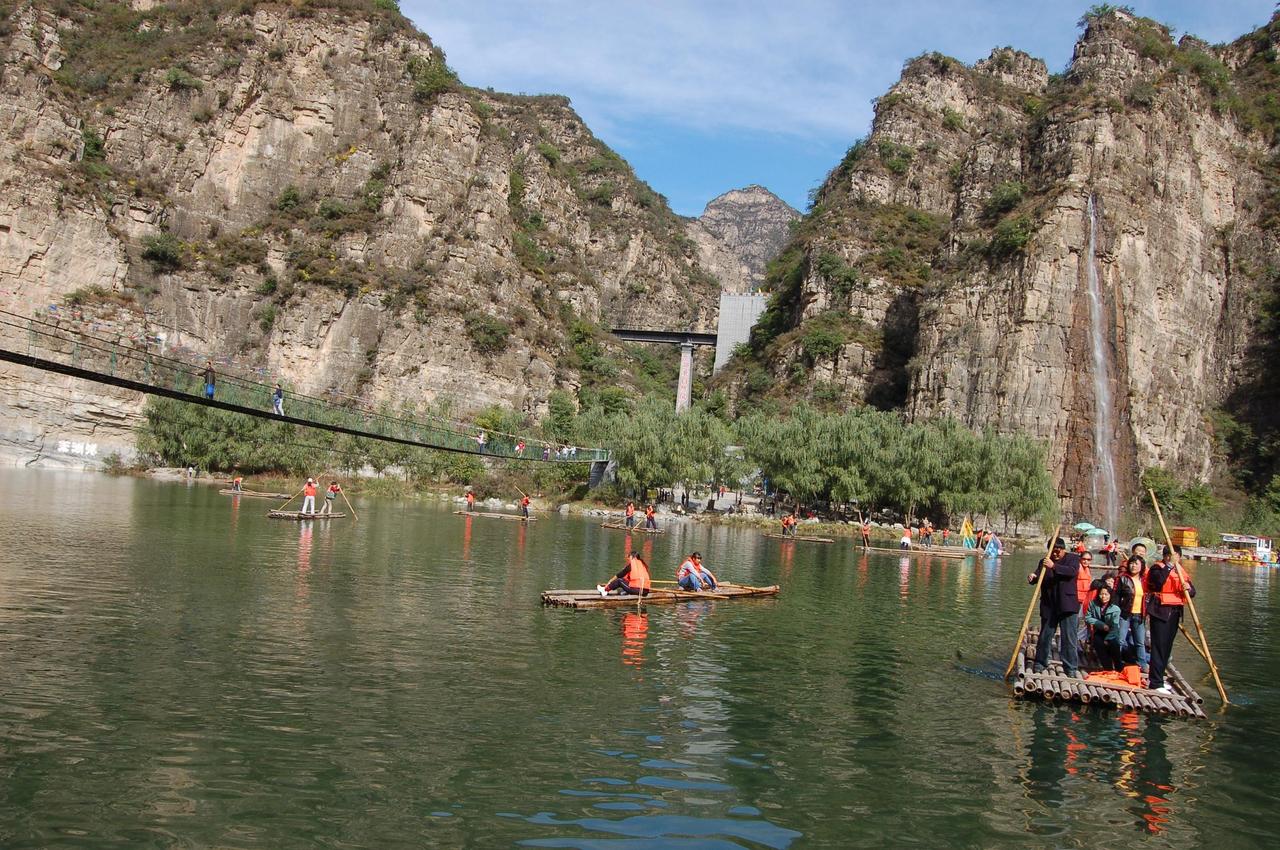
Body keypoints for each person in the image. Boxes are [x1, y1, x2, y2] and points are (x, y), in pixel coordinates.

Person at [1029, 537, 1083, 677]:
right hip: (1049, 605)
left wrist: (1054, 566)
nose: (1056, 554)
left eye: (1058, 551)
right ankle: (1040, 663)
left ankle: (1070, 668)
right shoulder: (1044, 561)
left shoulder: (1073, 559)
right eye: (1053, 551)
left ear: (1064, 549)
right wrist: (1033, 577)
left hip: (1067, 605)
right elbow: (1038, 576)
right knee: (1045, 636)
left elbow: (1071, 572)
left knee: (1069, 638)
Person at [1145, 547, 1195, 694]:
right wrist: (1168, 566)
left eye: (1174, 556)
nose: (1171, 558)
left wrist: (1188, 588)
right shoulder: (1157, 568)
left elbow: (1193, 591)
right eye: (1168, 556)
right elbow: (1158, 582)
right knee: (1158, 646)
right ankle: (1155, 682)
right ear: (1165, 557)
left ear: (1179, 557)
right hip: (1160, 611)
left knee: (1167, 647)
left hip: (1175, 612)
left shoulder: (1180, 571)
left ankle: (1159, 678)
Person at [1115, 555, 1148, 672]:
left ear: (1142, 566)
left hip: (1139, 615)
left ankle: (1142, 664)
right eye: (1131, 563)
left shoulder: (1144, 580)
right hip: (1125, 614)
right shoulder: (1122, 578)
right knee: (1120, 640)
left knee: (1140, 642)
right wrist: (1115, 611)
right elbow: (1116, 596)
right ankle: (1116, 662)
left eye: (1136, 564)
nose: (1133, 566)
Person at [1085, 585, 1124, 671]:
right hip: (1099, 631)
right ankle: (1108, 668)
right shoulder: (1093, 604)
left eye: (1106, 594)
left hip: (1112, 632)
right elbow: (1088, 617)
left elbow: (1115, 626)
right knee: (1098, 643)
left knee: (1114, 645)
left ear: (1110, 595)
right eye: (1101, 594)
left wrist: (1107, 638)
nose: (1103, 597)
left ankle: (1119, 669)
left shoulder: (1115, 609)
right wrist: (1101, 625)